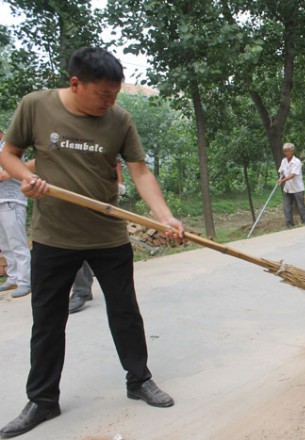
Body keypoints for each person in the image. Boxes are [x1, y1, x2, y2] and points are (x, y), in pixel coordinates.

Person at [0, 47, 184, 438]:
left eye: (115, 94)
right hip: (54, 237)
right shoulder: (35, 106)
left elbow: (139, 170)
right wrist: (24, 179)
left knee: (125, 312)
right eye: (103, 94)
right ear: (75, 84)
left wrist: (164, 217)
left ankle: (139, 380)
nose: (110, 102)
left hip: (107, 234)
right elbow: (9, 154)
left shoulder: (119, 119)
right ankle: (42, 400)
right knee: (48, 321)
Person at [69, 161, 125, 314]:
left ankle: (85, 289)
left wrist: (119, 183)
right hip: (71, 196)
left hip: (100, 198)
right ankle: (81, 290)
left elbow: (115, 160)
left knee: (93, 243)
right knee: (73, 242)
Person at [0, 129, 34, 298]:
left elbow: (11, 172)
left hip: (12, 201)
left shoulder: (8, 148)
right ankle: (12, 277)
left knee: (17, 243)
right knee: (5, 243)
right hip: (1, 201)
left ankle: (25, 281)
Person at [277, 142, 305, 227]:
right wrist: (281, 177)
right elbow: (282, 172)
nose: (285, 153)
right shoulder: (283, 161)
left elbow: (292, 175)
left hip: (297, 189)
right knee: (286, 207)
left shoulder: (297, 162)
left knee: (301, 207)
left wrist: (283, 180)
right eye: (284, 151)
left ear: (292, 151)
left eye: (287, 151)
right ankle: (290, 225)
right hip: (287, 189)